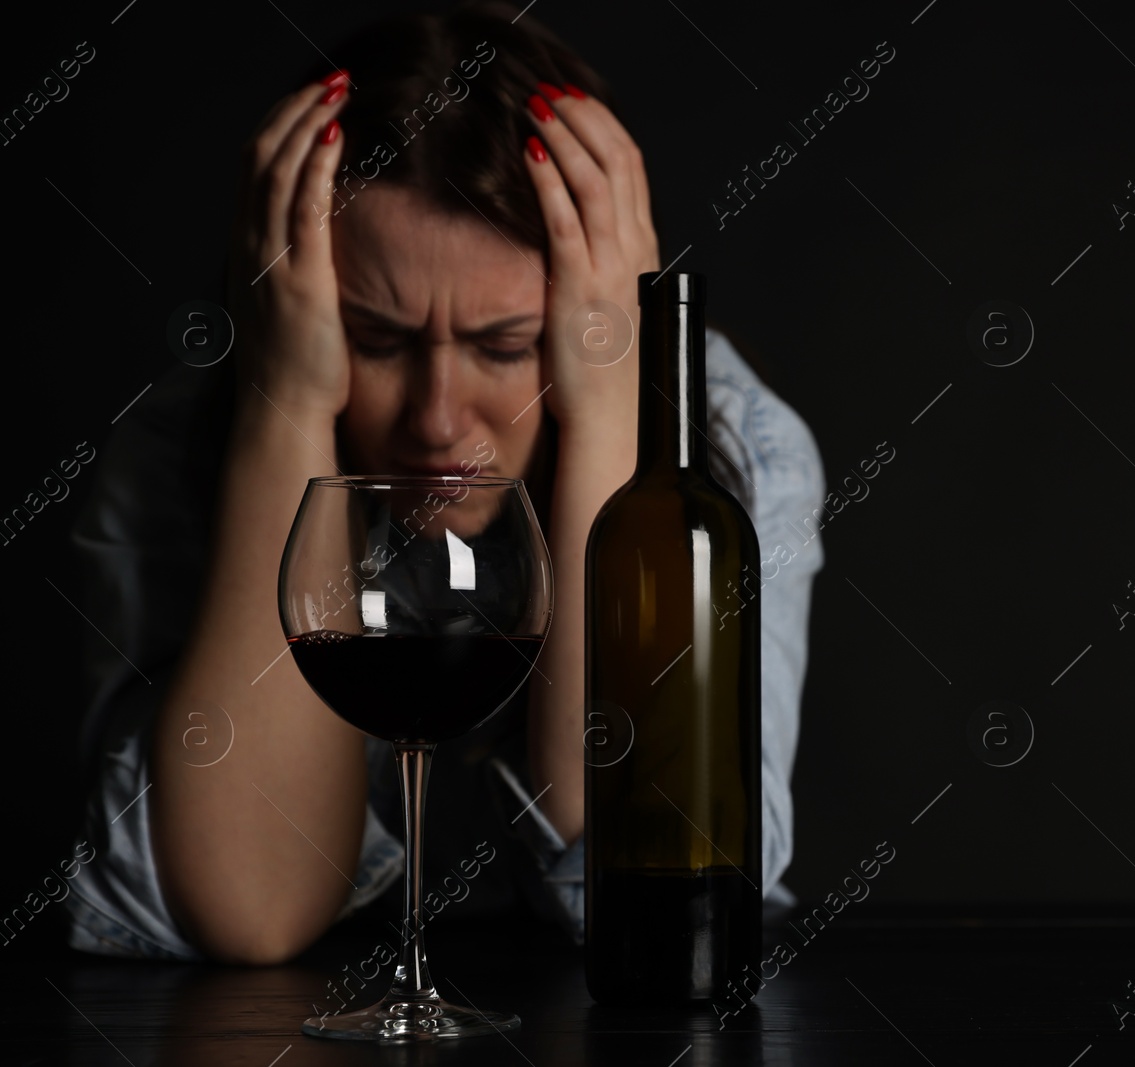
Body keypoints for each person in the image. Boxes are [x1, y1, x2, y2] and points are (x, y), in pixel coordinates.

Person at [63, 0, 825, 964]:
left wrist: (604, 416)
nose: (435, 418)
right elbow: (246, 904)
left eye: (505, 346)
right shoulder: (183, 447)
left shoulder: (737, 452)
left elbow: (644, 901)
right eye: (375, 339)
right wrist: (289, 409)